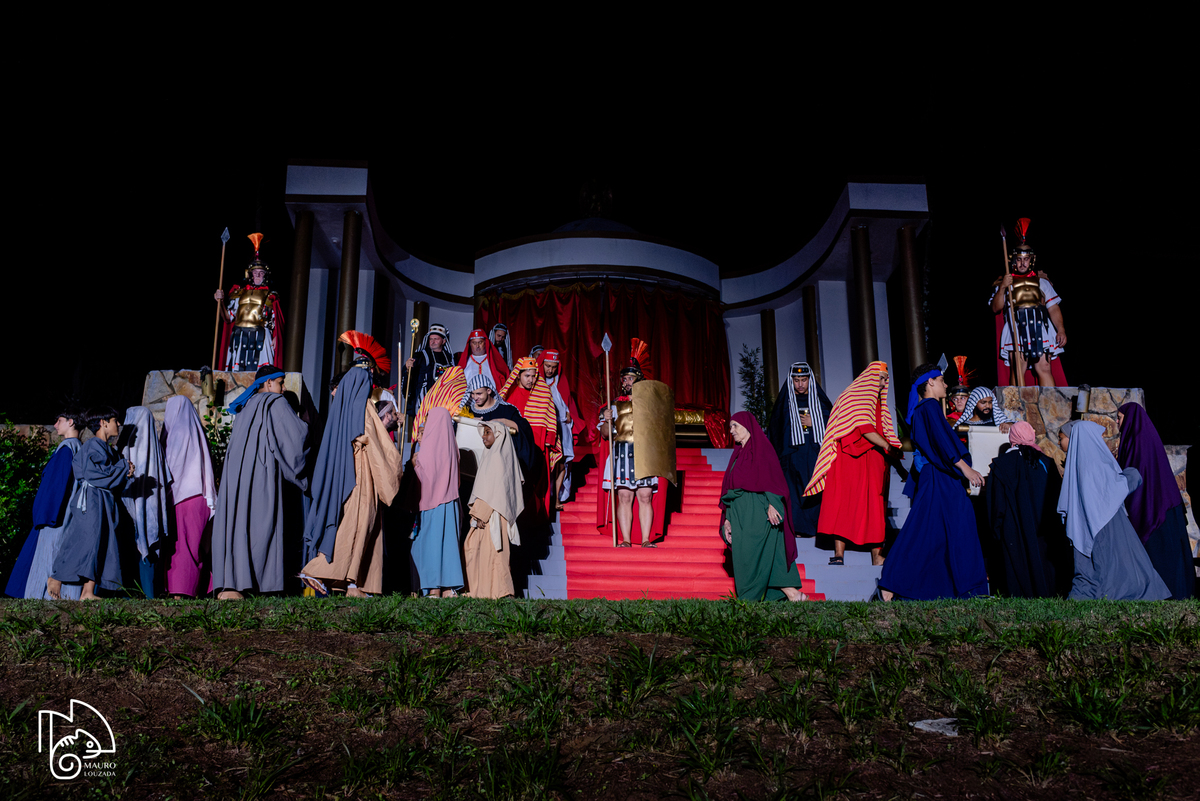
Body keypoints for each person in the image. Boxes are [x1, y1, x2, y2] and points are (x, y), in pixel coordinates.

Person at [876, 365, 988, 601]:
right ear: (929, 384)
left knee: (938, 531)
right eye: (941, 380)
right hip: (938, 477)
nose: (945, 385)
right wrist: (966, 469)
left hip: (937, 476)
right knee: (933, 528)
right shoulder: (929, 407)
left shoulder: (923, 409)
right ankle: (891, 583)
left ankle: (951, 588)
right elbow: (941, 443)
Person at [301, 364, 402, 597]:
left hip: (343, 475)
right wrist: (394, 467)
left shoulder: (341, 408)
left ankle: (351, 584)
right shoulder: (364, 408)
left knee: (352, 526)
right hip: (361, 476)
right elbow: (377, 445)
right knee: (359, 526)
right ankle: (329, 574)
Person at [211, 365, 310, 599]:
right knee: (260, 527)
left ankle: (232, 585)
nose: (283, 388)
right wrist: (306, 423)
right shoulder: (275, 404)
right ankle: (257, 584)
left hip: (235, 480)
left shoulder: (245, 408)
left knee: (238, 526)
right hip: (260, 478)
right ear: (268, 384)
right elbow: (296, 441)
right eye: (280, 382)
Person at [1057, 421, 1170, 601]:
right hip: (1104, 522)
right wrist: (1132, 474)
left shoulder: (1087, 464)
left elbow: (1108, 490)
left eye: (1061, 438)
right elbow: (1116, 486)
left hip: (1099, 522)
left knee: (1102, 565)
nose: (1059, 443)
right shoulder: (1088, 462)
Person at [803, 361, 902, 566]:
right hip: (849, 458)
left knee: (875, 505)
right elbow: (864, 427)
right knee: (843, 501)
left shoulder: (876, 402)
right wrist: (888, 447)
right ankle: (839, 554)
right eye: (881, 378)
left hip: (874, 458)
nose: (884, 383)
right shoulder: (854, 395)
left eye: (885, 379)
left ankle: (876, 556)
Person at [720, 412, 809, 602]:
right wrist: (727, 520)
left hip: (757, 511)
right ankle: (793, 595)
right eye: (730, 427)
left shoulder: (762, 450)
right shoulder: (737, 454)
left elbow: (773, 480)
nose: (731, 430)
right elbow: (728, 488)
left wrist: (772, 504)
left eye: (735, 425)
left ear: (747, 427)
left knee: (758, 554)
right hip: (738, 513)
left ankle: (748, 599)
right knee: (752, 555)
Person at [48, 407, 135, 600]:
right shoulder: (92, 445)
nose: (118, 424)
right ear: (103, 423)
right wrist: (121, 468)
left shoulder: (107, 449)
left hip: (103, 500)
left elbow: (111, 476)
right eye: (114, 420)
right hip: (91, 500)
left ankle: (87, 592)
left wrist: (124, 471)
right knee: (86, 540)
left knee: (101, 543)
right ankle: (57, 577)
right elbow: (93, 474)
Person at [597, 342, 674, 547]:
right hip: (622, 452)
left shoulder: (651, 404)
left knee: (645, 496)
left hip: (644, 454)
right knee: (623, 496)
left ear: (639, 379)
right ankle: (626, 540)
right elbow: (605, 435)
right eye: (625, 379)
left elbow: (660, 431)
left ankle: (647, 539)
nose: (627, 382)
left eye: (630, 378)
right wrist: (607, 420)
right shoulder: (612, 405)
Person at [1117, 403, 1195, 600]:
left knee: (1161, 558)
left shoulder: (1137, 442)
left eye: (1119, 418)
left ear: (1130, 419)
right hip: (1165, 507)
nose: (1117, 422)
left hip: (1154, 509)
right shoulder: (1144, 439)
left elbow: (1138, 479)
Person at [984, 421, 1070, 598]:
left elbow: (997, 505)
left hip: (1013, 528)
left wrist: (996, 530)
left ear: (1013, 437)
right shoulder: (1047, 463)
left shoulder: (1001, 465)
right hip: (1044, 528)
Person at [7, 412, 85, 599]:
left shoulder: (67, 448)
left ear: (71, 422)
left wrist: (45, 515)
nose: (55, 425)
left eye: (59, 421)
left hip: (55, 516)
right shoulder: (77, 448)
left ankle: (43, 597)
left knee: (48, 556)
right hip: (64, 513)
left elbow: (56, 485)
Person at [989, 219, 1066, 387]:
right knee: (1018, 370)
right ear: (1013, 260)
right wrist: (1002, 287)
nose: (1022, 263)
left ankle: (1049, 407)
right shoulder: (1005, 282)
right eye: (1019, 259)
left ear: (1031, 260)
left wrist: (1060, 329)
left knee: (1044, 367)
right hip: (1017, 328)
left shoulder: (1042, 282)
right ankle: (1018, 409)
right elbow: (996, 308)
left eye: (1026, 259)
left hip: (1040, 327)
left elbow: (1053, 308)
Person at [766, 362, 832, 537]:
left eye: (804, 380)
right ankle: (798, 528)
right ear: (791, 380)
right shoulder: (785, 401)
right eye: (796, 380)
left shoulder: (819, 400)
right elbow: (776, 428)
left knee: (815, 489)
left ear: (810, 380)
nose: (800, 384)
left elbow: (834, 422)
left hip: (814, 454)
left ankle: (817, 527)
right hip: (792, 455)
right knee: (794, 492)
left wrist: (815, 422)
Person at [161, 396, 216, 598]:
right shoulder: (198, 433)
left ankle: (180, 591)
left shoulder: (178, 434)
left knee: (181, 547)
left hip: (182, 499)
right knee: (197, 546)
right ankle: (200, 588)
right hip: (200, 498)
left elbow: (173, 468)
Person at [464, 419, 524, 598]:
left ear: (498, 434)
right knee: (481, 552)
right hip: (486, 513)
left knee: (495, 554)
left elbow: (497, 489)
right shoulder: (491, 454)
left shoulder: (499, 456)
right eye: (483, 432)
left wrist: (481, 513)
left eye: (488, 432)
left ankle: (502, 592)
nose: (484, 436)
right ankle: (484, 591)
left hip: (493, 514)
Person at [411, 407, 463, 597]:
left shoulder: (427, 451)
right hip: (450, 504)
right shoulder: (453, 447)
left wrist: (414, 464)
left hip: (430, 504)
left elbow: (422, 476)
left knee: (431, 545)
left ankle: (433, 588)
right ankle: (449, 588)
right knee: (449, 546)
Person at [499, 357, 561, 515]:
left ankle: (539, 520)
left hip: (539, 447)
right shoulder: (509, 395)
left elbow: (551, 419)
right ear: (518, 375)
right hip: (516, 448)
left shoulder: (543, 392)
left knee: (537, 486)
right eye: (527, 376)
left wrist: (549, 441)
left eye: (534, 376)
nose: (532, 380)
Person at [215, 233, 284, 372]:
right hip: (239, 336)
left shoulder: (271, 296)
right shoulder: (238, 294)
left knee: (262, 372)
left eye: (261, 273)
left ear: (265, 275)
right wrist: (220, 301)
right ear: (250, 274)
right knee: (236, 370)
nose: (258, 275)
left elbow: (276, 322)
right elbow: (228, 318)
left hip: (261, 336)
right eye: (255, 272)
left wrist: (276, 337)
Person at [466, 374, 538, 474]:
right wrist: (470, 421)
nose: (475, 397)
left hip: (501, 467)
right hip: (474, 467)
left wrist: (504, 422)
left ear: (489, 391)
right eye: (472, 394)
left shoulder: (507, 410)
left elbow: (524, 429)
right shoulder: (467, 411)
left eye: (478, 394)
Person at [540, 349, 583, 509]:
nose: (550, 370)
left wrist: (570, 416)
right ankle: (546, 497)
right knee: (547, 463)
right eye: (547, 366)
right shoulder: (538, 382)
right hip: (547, 428)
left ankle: (556, 498)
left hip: (563, 428)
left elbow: (568, 404)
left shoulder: (560, 381)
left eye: (553, 367)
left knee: (562, 463)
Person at [402, 323, 455, 417]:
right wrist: (407, 367)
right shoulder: (420, 356)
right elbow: (410, 375)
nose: (432, 341)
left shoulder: (450, 358)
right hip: (425, 400)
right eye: (431, 339)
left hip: (444, 400)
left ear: (443, 341)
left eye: (436, 339)